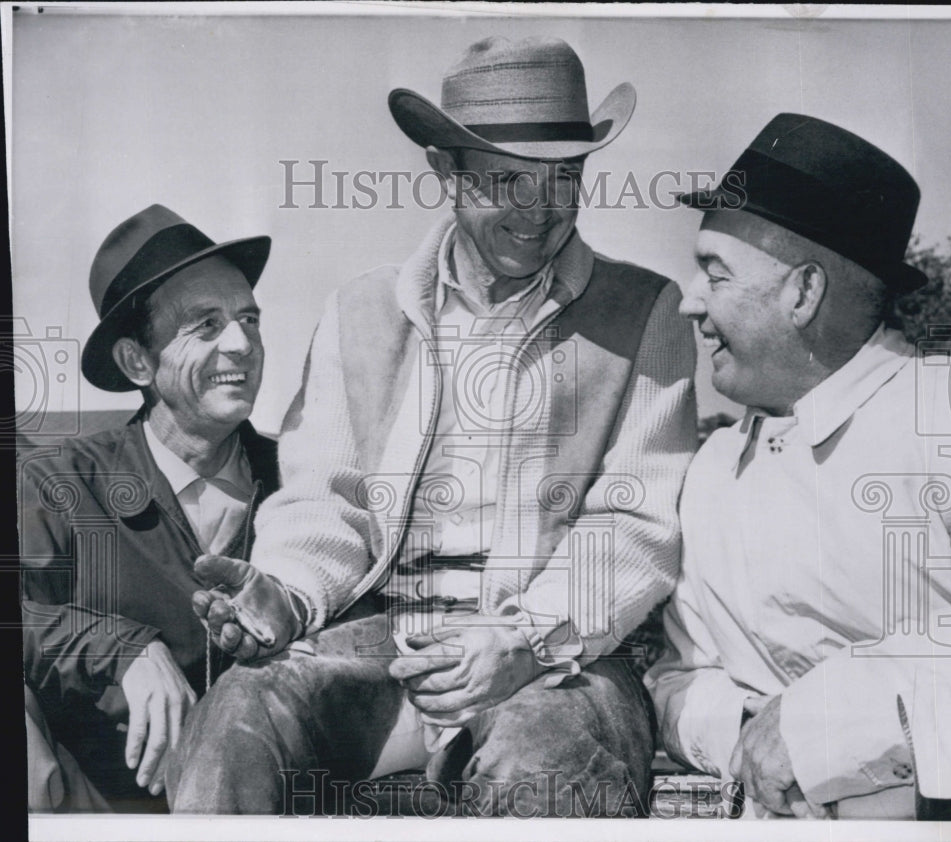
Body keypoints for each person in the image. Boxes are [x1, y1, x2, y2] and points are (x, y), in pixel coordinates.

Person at [168, 36, 698, 816]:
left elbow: (634, 525)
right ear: (445, 171)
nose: (539, 210)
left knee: (540, 761)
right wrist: (287, 595)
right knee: (238, 713)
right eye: (506, 180)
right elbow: (328, 500)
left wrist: (529, 638)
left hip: (562, 663)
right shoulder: (361, 311)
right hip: (385, 647)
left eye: (565, 178)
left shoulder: (647, 312)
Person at [645, 114, 951, 819]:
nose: (687, 301)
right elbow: (681, 675)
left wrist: (833, 727)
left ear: (803, 293)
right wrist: (741, 734)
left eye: (714, 271)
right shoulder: (711, 469)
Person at [21, 205, 279, 811]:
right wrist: (120, 646)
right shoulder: (61, 483)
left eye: (249, 318)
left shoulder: (302, 481)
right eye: (206, 324)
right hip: (111, 806)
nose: (242, 344)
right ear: (138, 362)